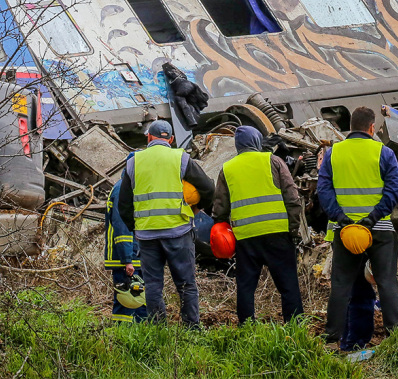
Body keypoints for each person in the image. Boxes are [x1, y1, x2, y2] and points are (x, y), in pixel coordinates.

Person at [319, 106, 398, 348]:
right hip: (379, 229)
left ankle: (332, 340)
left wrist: (341, 218)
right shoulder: (384, 152)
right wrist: (372, 217)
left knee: (341, 285)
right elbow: (393, 191)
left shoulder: (334, 153)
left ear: (350, 127)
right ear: (371, 128)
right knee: (386, 282)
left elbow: (324, 190)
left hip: (345, 231)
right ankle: (395, 337)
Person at [118, 120, 215, 326]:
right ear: (170, 139)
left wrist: (136, 228)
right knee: (186, 284)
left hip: (147, 236)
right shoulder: (180, 158)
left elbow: (124, 205)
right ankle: (191, 328)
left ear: (149, 137)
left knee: (153, 285)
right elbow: (208, 188)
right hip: (178, 231)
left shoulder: (134, 161)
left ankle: (158, 330)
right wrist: (196, 210)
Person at [210, 126, 303, 324]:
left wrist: (224, 231)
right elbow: (292, 198)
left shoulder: (227, 169)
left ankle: (247, 328)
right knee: (288, 285)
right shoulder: (273, 161)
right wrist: (294, 230)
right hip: (277, 234)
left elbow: (219, 210)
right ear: (257, 141)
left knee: (245, 287)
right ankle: (295, 328)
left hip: (245, 237)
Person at [104, 174, 147, 323]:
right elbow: (122, 228)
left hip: (135, 256)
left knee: (140, 302)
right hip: (126, 259)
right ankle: (122, 338)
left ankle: (141, 338)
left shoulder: (132, 187)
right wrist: (127, 259)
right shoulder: (123, 189)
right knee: (126, 302)